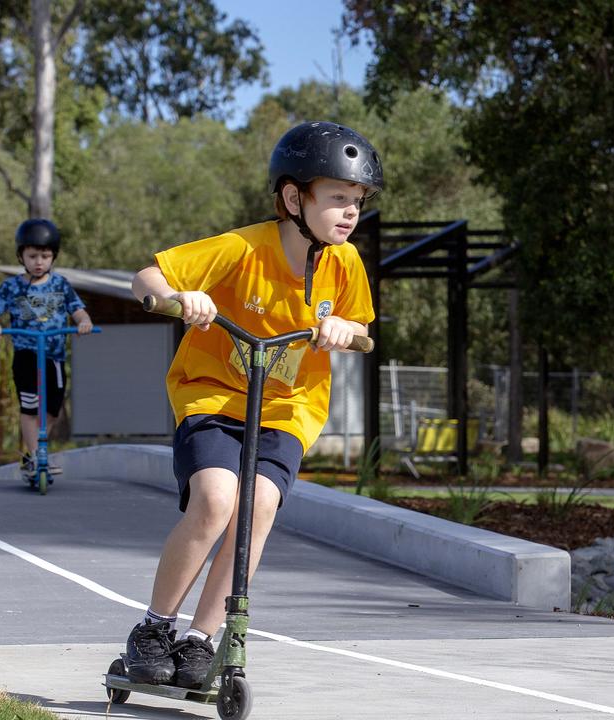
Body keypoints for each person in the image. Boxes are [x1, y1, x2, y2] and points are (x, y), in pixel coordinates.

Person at [121, 121, 382, 687]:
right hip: (213, 395)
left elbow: (362, 326)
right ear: (293, 198)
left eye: (356, 201)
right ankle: (153, 626)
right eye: (337, 197)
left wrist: (344, 327)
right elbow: (145, 278)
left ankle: (200, 638)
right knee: (215, 500)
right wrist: (175, 296)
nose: (349, 212)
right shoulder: (243, 249)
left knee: (258, 506)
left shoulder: (346, 264)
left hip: (287, 409)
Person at [0, 219, 93, 478]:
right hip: (26, 355)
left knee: (53, 407)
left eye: (45, 256)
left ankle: (35, 450)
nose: (39, 262)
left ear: (53, 257)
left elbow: (78, 311)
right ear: (21, 256)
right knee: (30, 406)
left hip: (54, 356)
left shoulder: (61, 285)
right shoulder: (12, 286)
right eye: (32, 256)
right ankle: (35, 457)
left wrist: (84, 322)